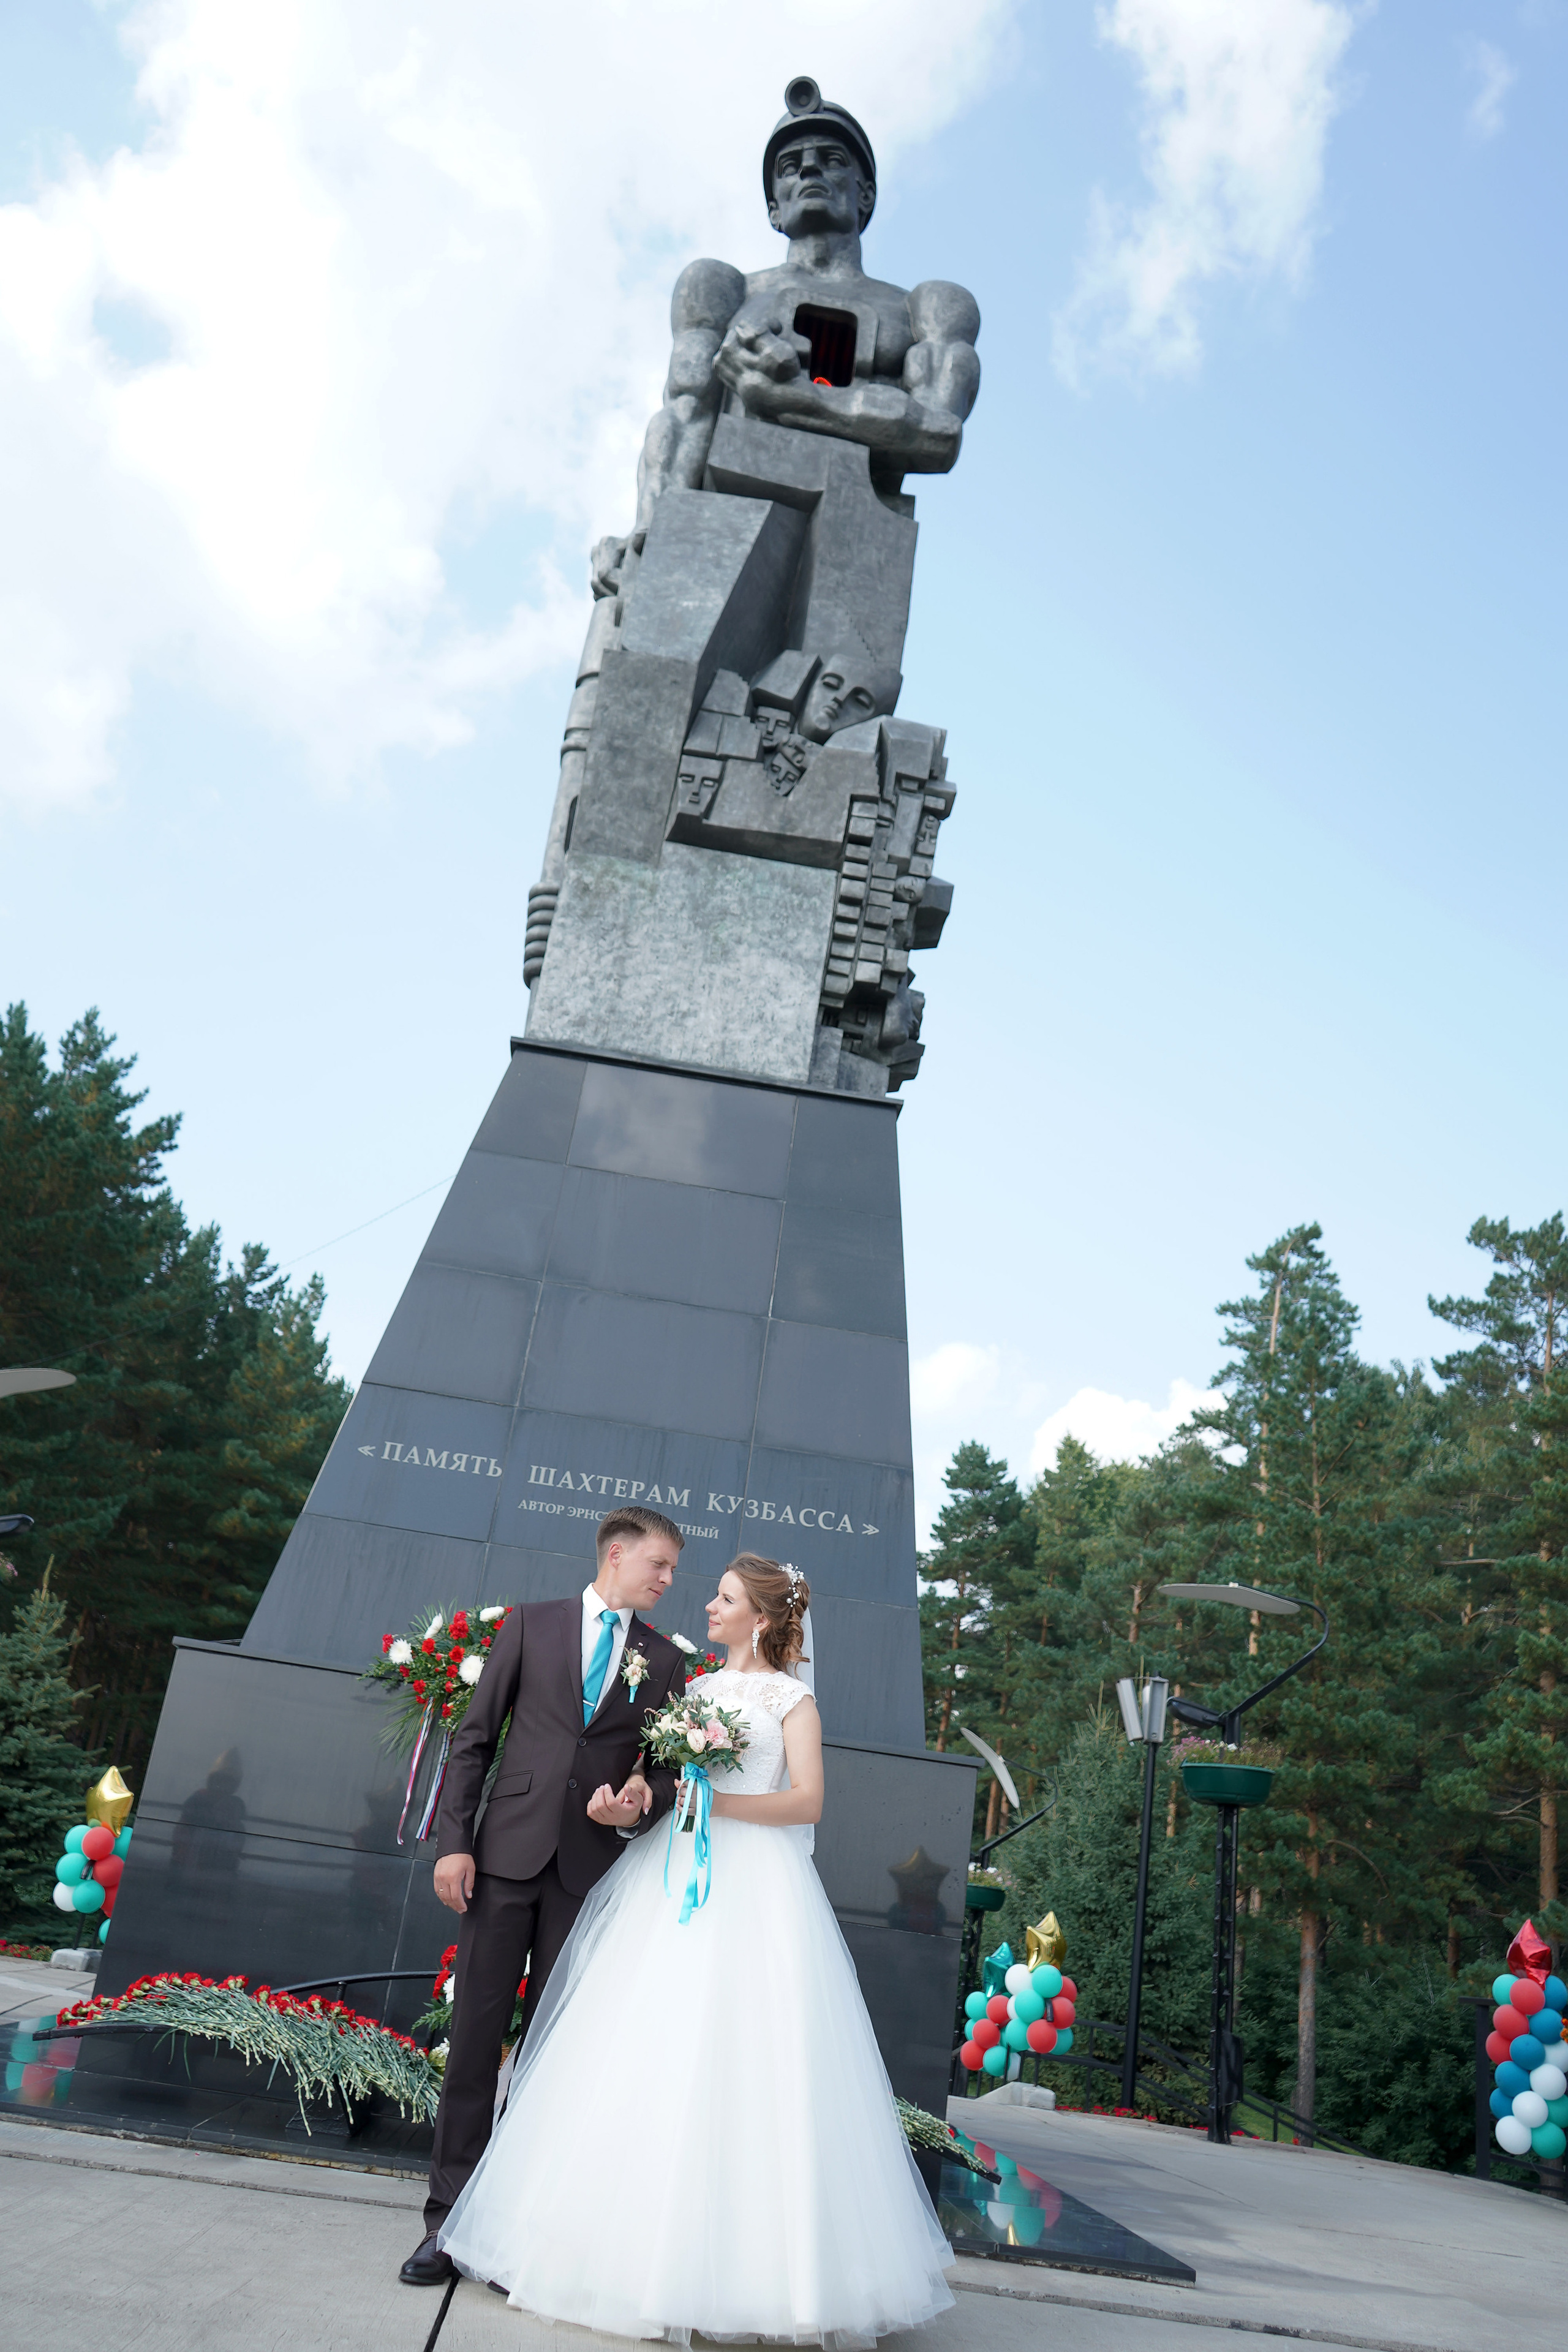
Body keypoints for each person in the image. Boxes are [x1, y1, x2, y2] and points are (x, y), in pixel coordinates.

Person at [437, 1555, 955, 2346]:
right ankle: (607, 2249)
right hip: (671, 1875)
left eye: (724, 1598)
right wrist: (630, 1800)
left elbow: (808, 1798)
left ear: (762, 1618)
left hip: (757, 1888)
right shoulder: (698, 1691)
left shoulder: (793, 1700)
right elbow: (658, 1779)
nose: (706, 1605)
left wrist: (717, 1803)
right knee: (643, 2049)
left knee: (745, 2063)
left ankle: (752, 2275)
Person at [398, 1506, 688, 2288]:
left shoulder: (663, 1660)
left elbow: (665, 1768)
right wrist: (454, 1841)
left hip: (589, 1876)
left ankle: (514, 2235)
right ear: (617, 1555)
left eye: (672, 1571)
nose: (668, 1581)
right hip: (502, 1861)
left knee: (554, 2057)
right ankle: (447, 2227)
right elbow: (475, 1740)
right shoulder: (531, 1625)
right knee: (475, 2042)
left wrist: (639, 1799)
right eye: (659, 1565)